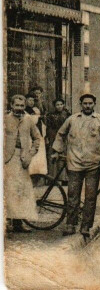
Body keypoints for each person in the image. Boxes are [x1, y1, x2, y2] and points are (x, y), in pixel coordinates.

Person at [51, 93, 100, 238]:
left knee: (90, 197)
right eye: (85, 103)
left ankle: (86, 225)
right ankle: (70, 224)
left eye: (90, 103)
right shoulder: (72, 119)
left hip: (93, 165)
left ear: (94, 104)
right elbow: (60, 134)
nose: (87, 106)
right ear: (81, 104)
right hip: (74, 163)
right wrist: (56, 151)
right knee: (73, 195)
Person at [4, 94, 42, 233]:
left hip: (22, 159)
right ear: (11, 105)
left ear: (25, 106)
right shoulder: (5, 119)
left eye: (22, 106)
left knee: (21, 190)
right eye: (16, 105)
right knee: (8, 190)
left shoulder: (28, 120)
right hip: (7, 159)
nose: (19, 108)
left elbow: (37, 138)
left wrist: (31, 154)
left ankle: (18, 224)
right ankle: (6, 223)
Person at [43, 98, 70, 183]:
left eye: (61, 104)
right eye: (57, 105)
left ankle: (65, 178)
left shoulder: (68, 115)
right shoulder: (50, 115)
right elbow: (48, 127)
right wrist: (48, 137)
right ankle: (52, 178)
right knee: (53, 156)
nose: (59, 106)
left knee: (64, 157)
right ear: (54, 106)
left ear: (63, 105)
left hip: (65, 137)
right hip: (53, 136)